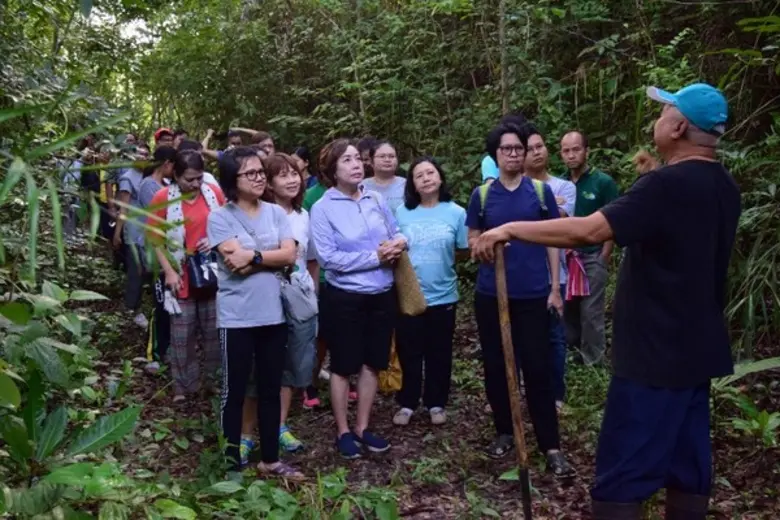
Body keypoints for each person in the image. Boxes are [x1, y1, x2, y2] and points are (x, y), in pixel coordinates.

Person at [472, 83, 737, 520]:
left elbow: (590, 230)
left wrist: (510, 229)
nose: (657, 120)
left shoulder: (664, 184)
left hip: (653, 351)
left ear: (678, 128)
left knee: (623, 470)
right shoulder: (724, 183)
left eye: (664, 112)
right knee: (689, 464)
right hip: (697, 349)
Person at [465, 121, 574, 477]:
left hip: (533, 293)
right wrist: (484, 248)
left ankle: (550, 444)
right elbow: (472, 240)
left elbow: (553, 241)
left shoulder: (540, 194)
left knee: (537, 366)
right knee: (496, 364)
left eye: (518, 149)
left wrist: (555, 288)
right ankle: (504, 430)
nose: (513, 154)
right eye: (506, 149)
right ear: (495, 155)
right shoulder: (482, 196)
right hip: (492, 294)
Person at [207, 146, 303, 479]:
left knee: (270, 389)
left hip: (274, 315)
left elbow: (289, 255)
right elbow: (236, 263)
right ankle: (231, 463)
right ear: (232, 179)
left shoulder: (276, 212)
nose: (259, 177)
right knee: (234, 391)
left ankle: (271, 460)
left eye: (261, 171)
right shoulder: (220, 217)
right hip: (236, 317)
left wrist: (255, 256)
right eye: (250, 173)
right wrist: (268, 256)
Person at [310, 138, 406, 459]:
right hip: (345, 298)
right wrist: (375, 257)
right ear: (332, 170)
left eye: (357, 158)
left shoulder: (375, 198)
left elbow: (396, 231)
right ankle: (343, 431)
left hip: (382, 294)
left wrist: (400, 243)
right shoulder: (323, 208)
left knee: (372, 362)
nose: (356, 165)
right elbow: (328, 259)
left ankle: (363, 427)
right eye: (347, 160)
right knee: (342, 365)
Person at [392, 157, 467, 427]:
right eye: (419, 175)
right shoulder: (401, 213)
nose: (426, 178)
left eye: (430, 173)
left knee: (440, 352)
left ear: (440, 177)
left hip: (444, 293)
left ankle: (436, 403)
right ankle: (407, 402)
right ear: (412, 184)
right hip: (409, 293)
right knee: (409, 350)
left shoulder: (457, 213)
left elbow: (462, 249)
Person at [147, 151, 224, 401]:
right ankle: (183, 386)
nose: (195, 184)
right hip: (180, 274)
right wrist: (169, 271)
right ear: (176, 176)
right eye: (189, 179)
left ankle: (212, 381)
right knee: (182, 334)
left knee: (213, 332)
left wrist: (213, 239)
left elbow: (227, 225)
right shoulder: (162, 199)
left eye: (199, 178)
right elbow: (155, 239)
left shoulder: (213, 194)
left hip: (210, 272)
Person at [257, 153, 318, 454]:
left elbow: (311, 260)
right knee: (263, 361)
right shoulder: (260, 214)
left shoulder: (303, 215)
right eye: (283, 175)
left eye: (295, 173)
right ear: (268, 183)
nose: (293, 180)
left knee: (292, 362)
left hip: (298, 296)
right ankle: (250, 428)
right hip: (265, 297)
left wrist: (313, 296)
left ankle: (279, 424)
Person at [523, 128, 576, 410]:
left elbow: (560, 223)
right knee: (524, 336)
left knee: (555, 337)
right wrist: (548, 207)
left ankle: (556, 394)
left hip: (558, 275)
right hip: (523, 275)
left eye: (540, 146)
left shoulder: (565, 187)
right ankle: (524, 391)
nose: (537, 152)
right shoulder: (513, 189)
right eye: (530, 148)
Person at [559, 130, 619, 366]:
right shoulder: (560, 183)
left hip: (593, 255)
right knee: (568, 307)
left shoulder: (602, 182)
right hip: (566, 256)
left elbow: (614, 219)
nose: (571, 155)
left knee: (591, 311)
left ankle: (593, 360)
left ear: (586, 151)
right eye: (566, 151)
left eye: (576, 149)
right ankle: (571, 355)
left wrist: (605, 253)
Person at [139, 146, 177, 374]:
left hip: (172, 255)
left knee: (171, 306)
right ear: (166, 163)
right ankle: (154, 354)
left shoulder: (167, 185)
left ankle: (168, 349)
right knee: (160, 305)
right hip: (156, 255)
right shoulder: (148, 186)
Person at [113, 147, 149, 330]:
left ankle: (139, 306)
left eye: (146, 154)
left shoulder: (147, 176)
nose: (142, 157)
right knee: (135, 271)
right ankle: (132, 308)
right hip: (134, 232)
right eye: (139, 154)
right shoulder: (127, 178)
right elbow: (123, 208)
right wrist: (118, 233)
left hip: (147, 231)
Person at [361, 140, 406, 215]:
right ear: (371, 161)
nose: (387, 160)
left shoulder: (407, 185)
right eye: (382, 156)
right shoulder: (362, 186)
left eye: (391, 156)